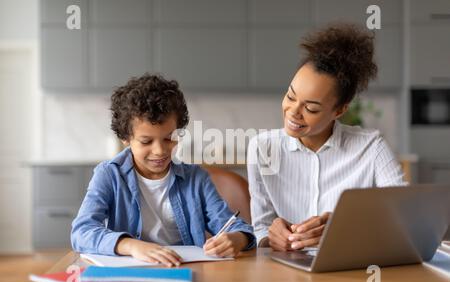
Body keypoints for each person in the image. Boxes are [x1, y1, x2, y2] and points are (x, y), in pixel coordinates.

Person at [247, 23, 407, 252]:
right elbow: (261, 228)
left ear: (339, 110)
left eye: (311, 109)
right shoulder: (262, 148)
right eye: (290, 96)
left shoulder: (371, 147)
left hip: (350, 265)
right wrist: (270, 238)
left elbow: (404, 217)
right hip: (288, 269)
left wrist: (345, 225)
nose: (293, 111)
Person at [71, 74, 255, 267]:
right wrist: (132, 246)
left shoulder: (196, 179)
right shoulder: (109, 175)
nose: (160, 151)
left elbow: (235, 225)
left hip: (184, 270)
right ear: (125, 138)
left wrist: (237, 238)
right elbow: (81, 231)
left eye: (169, 138)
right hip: (133, 273)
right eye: (146, 141)